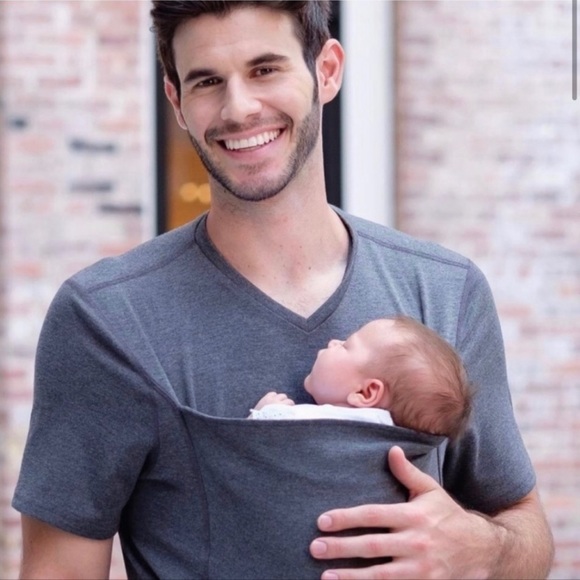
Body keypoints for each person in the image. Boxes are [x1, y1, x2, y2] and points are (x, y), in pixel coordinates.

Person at [13, 1, 553, 579]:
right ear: (175, 100)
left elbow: (526, 528)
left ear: (327, 71)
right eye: (207, 82)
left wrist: (482, 549)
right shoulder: (105, 318)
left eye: (265, 69)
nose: (239, 108)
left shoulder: (447, 290)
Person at [250, 316, 473, 441]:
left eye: (346, 345)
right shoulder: (394, 439)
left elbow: (262, 433)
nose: (334, 341)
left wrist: (266, 411)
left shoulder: (322, 423)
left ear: (365, 393)